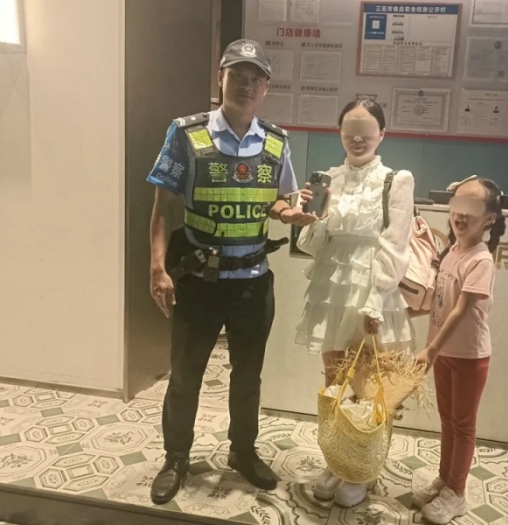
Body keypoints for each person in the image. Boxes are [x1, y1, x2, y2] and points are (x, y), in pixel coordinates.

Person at [146, 39, 316, 505]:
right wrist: (157, 267)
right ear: (220, 79)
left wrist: (289, 214)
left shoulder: (276, 141)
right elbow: (162, 207)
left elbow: (278, 200)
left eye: (255, 78)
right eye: (237, 75)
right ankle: (176, 458)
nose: (246, 84)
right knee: (186, 375)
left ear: (266, 87)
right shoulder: (186, 134)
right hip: (198, 280)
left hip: (253, 282)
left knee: (248, 376)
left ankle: (242, 451)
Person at [296, 99, 416, 507]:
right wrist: (312, 216)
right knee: (335, 381)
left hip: (371, 288)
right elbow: (312, 245)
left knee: (368, 384)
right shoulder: (329, 178)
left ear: (382, 133)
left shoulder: (395, 180)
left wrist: (377, 299)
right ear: (340, 133)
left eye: (366, 131)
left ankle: (361, 469)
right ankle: (337, 458)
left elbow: (396, 243)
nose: (358, 139)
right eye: (350, 131)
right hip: (332, 287)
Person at [412, 177, 506, 524]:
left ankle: (458, 492)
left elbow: (461, 311)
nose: (461, 215)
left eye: (471, 209)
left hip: (468, 357)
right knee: (447, 421)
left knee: (463, 425)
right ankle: (445, 480)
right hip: (443, 353)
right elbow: (439, 301)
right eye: (457, 207)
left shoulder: (481, 260)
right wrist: (406, 313)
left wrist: (431, 349)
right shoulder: (452, 252)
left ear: (489, 219)